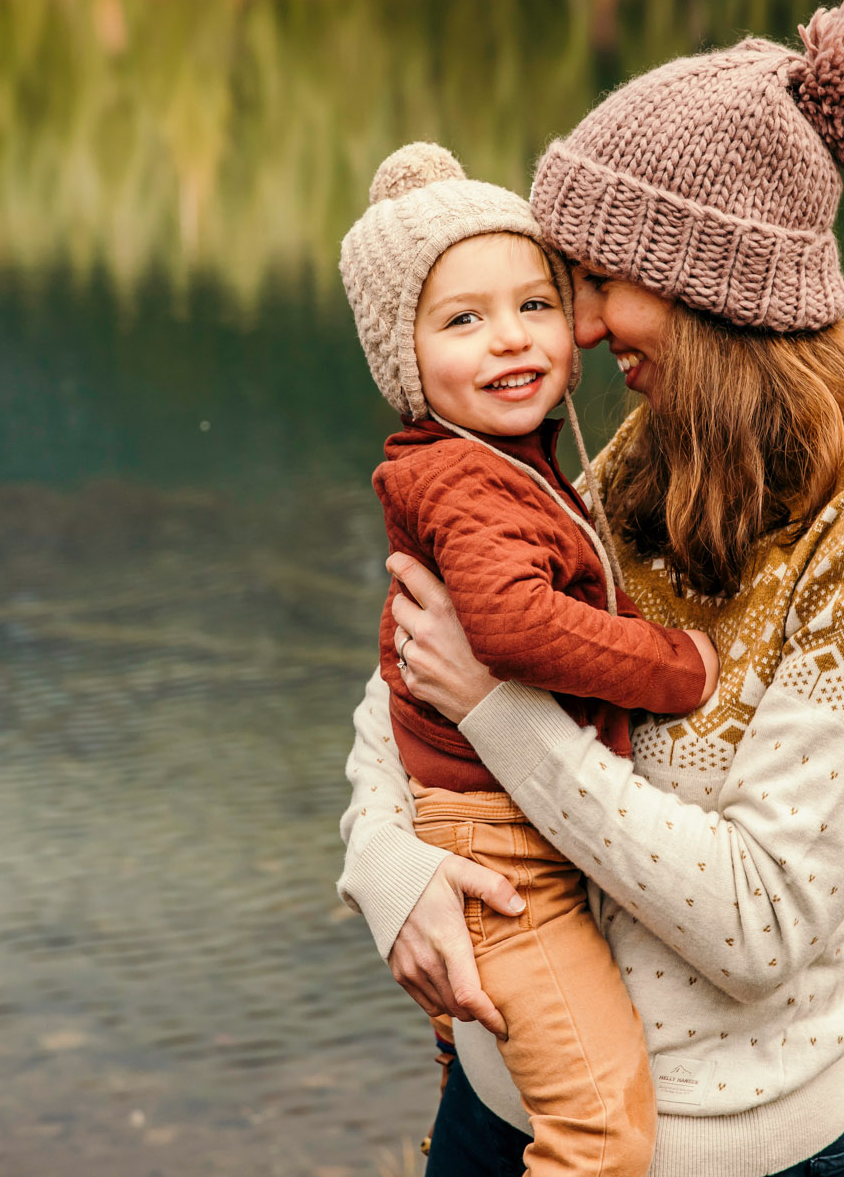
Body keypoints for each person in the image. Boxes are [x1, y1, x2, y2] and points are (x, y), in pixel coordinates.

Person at [336, 0, 844, 1177]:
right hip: (501, 1107)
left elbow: (757, 926)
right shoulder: (656, 446)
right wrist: (384, 861)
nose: (578, 331)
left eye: (594, 282)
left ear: (705, 286)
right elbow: (420, 651)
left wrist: (501, 715)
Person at [339, 140, 724, 1174]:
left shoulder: (510, 460)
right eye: (460, 320)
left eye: (535, 304)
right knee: (598, 1130)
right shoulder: (469, 482)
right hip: (504, 859)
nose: (509, 340)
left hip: (498, 828)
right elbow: (509, 626)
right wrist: (675, 666)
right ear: (404, 360)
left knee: (493, 1059)